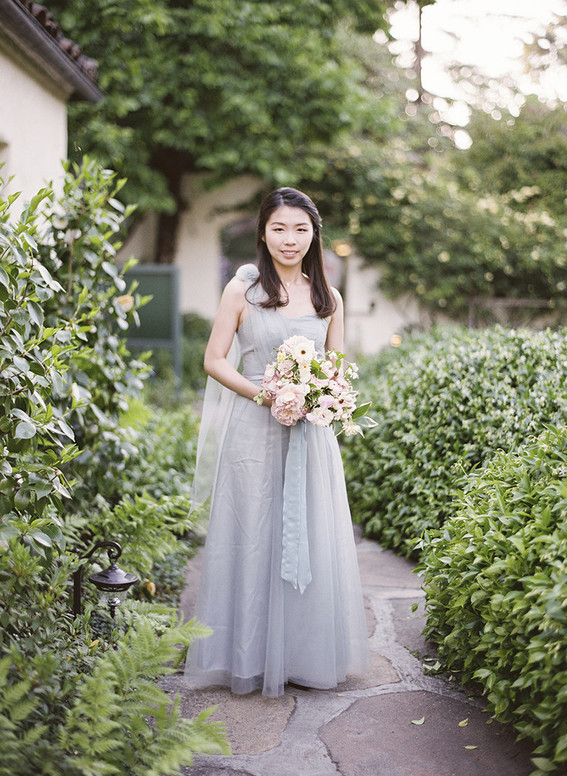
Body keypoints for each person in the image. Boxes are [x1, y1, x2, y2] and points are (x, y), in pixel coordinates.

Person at [184, 187, 369, 697]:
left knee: (310, 534)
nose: (290, 239)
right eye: (279, 228)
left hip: (310, 438)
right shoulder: (241, 291)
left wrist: (326, 395)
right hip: (253, 433)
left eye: (301, 229)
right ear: (264, 233)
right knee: (254, 532)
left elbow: (336, 370)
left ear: (314, 235)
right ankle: (246, 654)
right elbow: (215, 360)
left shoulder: (328, 299)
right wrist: (266, 394)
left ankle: (301, 654)